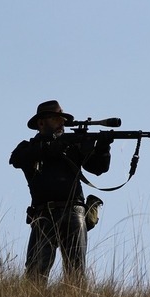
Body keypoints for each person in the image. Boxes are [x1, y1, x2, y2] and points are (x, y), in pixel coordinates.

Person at [9, 100, 112, 284]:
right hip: (43, 213)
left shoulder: (71, 146)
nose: (62, 123)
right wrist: (49, 149)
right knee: (35, 273)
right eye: (56, 119)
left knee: (76, 272)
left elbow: (98, 168)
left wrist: (103, 148)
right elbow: (16, 159)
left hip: (74, 211)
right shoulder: (29, 147)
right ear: (42, 123)